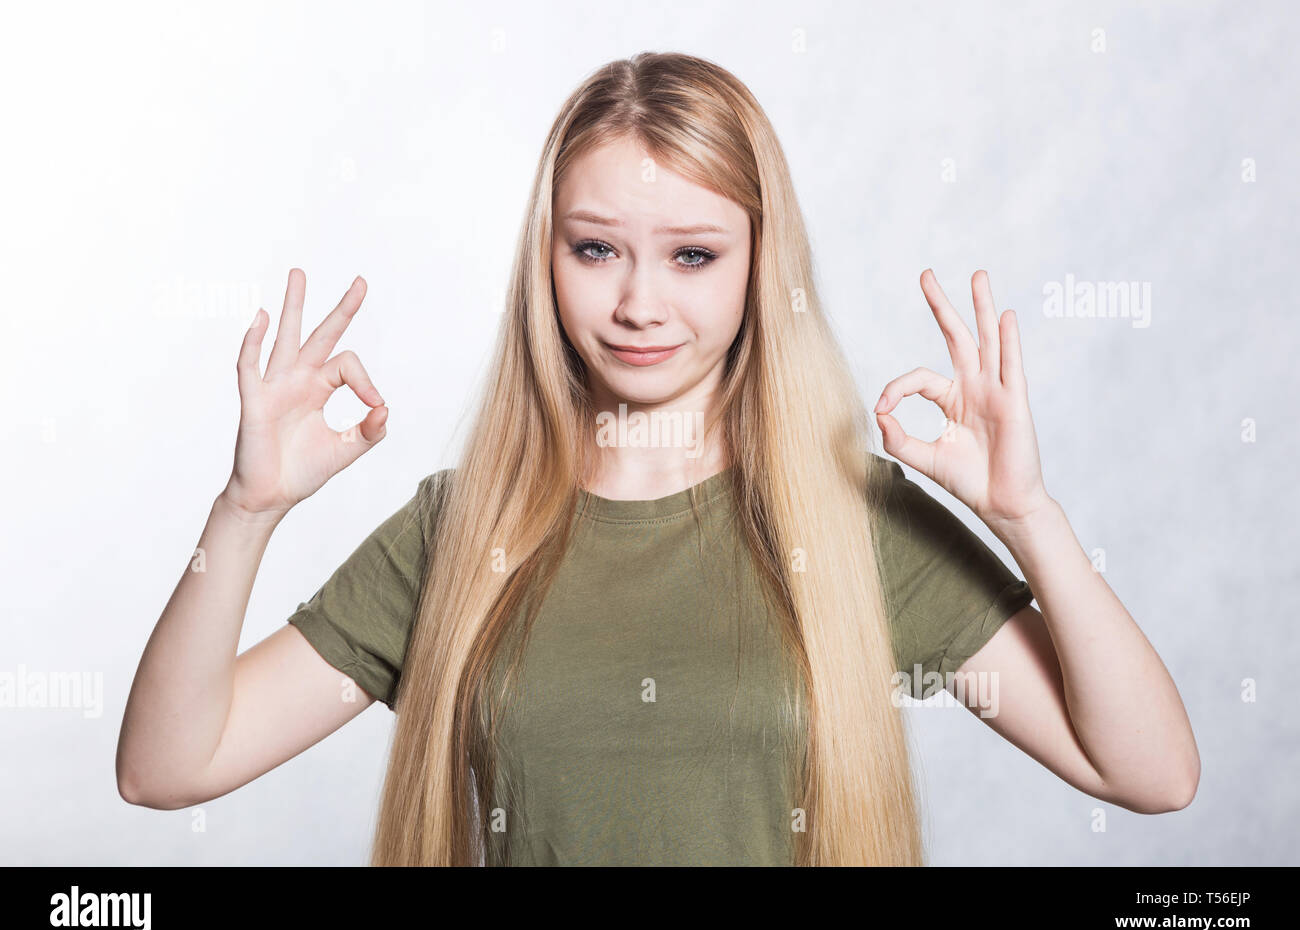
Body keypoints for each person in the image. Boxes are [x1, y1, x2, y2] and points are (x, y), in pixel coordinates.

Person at [116, 51, 1199, 866]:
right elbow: (167, 767)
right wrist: (246, 510)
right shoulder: (460, 527)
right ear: (546, 259)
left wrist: (1031, 517)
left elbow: (1148, 773)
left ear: (757, 263)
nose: (639, 302)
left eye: (692, 254)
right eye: (596, 249)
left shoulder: (851, 520)